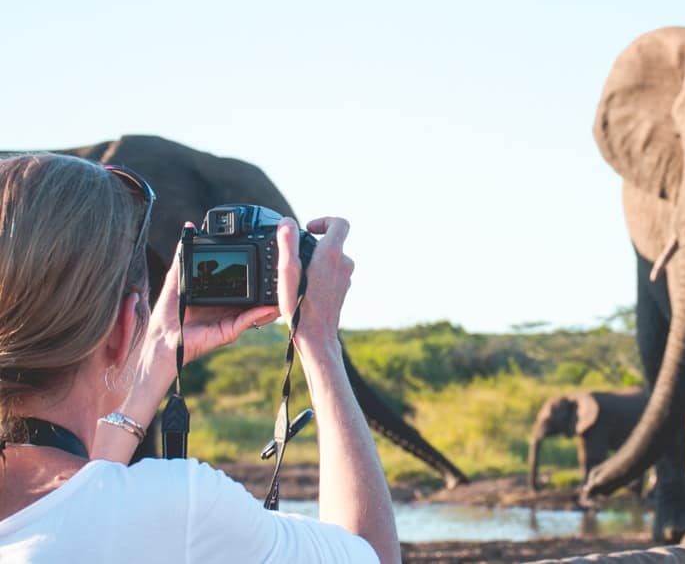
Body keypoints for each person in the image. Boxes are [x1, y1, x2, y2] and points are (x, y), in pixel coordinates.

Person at [0, 153, 400, 563]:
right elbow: (371, 557)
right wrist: (320, 342)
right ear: (122, 327)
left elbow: (79, 506)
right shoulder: (181, 509)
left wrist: (158, 351)